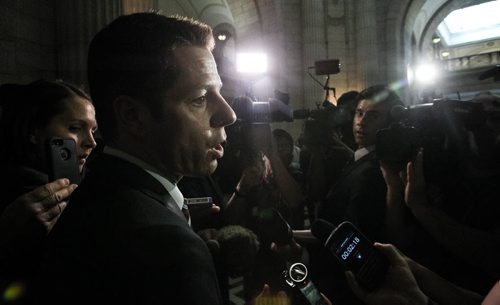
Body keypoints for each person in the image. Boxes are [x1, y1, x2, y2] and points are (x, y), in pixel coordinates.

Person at [36, 13, 236, 305]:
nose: (229, 114)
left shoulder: (98, 196)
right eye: (199, 99)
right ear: (132, 116)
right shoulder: (165, 247)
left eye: (220, 93)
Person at [0, 79, 96, 304]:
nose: (91, 142)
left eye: (93, 130)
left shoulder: (79, 184)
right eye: (75, 128)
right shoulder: (25, 194)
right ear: (34, 131)